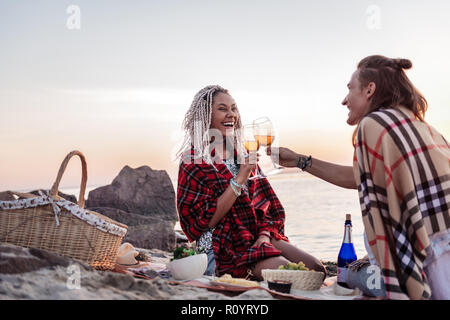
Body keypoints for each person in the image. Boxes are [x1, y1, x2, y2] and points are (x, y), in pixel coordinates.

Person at [269, 55, 450, 300]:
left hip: (421, 270)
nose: (344, 100)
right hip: (441, 258)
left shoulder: (374, 124)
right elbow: (360, 178)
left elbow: (382, 215)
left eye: (350, 89)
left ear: (369, 89)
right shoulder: (425, 129)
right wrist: (299, 160)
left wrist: (378, 256)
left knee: (349, 276)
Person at [176, 85, 326, 280]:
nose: (231, 115)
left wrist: (264, 235)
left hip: (254, 235)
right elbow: (205, 222)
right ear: (206, 116)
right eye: (222, 109)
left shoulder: (242, 154)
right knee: (291, 274)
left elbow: (266, 207)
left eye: (234, 108)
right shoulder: (193, 159)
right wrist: (240, 178)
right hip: (221, 246)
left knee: (317, 269)